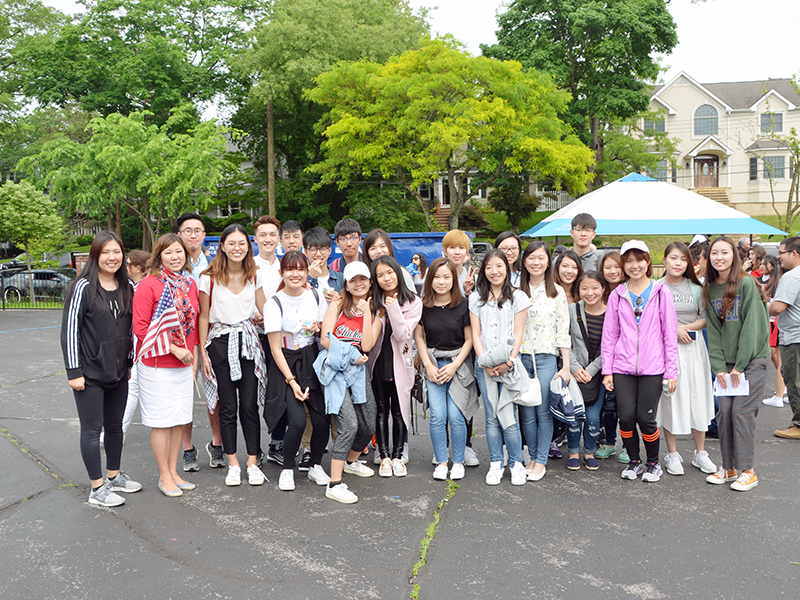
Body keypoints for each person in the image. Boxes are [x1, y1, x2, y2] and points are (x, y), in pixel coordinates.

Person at [61, 231, 141, 507]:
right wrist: (74, 371)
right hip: (89, 373)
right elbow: (69, 331)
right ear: (96, 255)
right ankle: (97, 488)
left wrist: (128, 363)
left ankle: (114, 476)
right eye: (106, 252)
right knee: (92, 430)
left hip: (118, 371)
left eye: (116, 252)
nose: (112, 257)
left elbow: (131, 330)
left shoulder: (127, 287)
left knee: (115, 427)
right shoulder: (82, 287)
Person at [602, 240, 678, 483]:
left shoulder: (660, 291)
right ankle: (634, 461)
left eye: (639, 260)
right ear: (624, 265)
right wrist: (607, 370)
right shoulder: (617, 294)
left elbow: (670, 334)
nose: (635, 266)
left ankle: (653, 463)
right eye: (629, 261)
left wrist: (671, 372)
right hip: (622, 367)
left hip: (653, 366)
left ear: (648, 262)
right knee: (625, 417)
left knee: (646, 418)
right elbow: (610, 335)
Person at [199, 224, 268, 487]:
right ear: (223, 246)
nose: (237, 248)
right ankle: (232, 463)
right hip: (219, 343)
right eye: (232, 243)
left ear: (248, 247)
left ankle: (252, 462)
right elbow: (204, 315)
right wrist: (203, 352)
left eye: (242, 243)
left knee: (249, 406)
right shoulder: (209, 277)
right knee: (227, 407)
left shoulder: (255, 275)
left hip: (248, 342)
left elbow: (264, 309)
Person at [133, 234, 199, 497]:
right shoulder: (149, 285)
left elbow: (191, 325)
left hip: (184, 364)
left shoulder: (189, 284)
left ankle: (173, 472)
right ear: (158, 255)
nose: (175, 257)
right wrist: (173, 348)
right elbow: (141, 328)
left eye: (179, 252)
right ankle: (164, 476)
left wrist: (191, 355)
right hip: (157, 363)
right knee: (162, 421)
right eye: (169, 252)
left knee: (178, 420)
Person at [704, 236, 769, 491]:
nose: (719, 257)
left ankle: (748, 471)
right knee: (725, 414)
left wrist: (739, 366)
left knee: (742, 413)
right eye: (714, 253)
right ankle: (729, 468)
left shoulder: (746, 284)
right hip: (727, 364)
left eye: (725, 252)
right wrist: (719, 367)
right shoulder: (710, 288)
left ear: (735, 256)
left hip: (751, 360)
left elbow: (752, 328)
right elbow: (715, 330)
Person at [261, 251, 330, 491]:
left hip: (311, 359)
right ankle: (288, 469)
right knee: (298, 421)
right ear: (282, 272)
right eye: (290, 269)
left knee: (321, 420)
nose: (296, 274)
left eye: (300, 269)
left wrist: (319, 327)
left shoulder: (316, 295)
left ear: (306, 271)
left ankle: (316, 465)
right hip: (286, 362)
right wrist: (291, 381)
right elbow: (274, 349)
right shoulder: (274, 303)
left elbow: (324, 329)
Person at [316, 261, 380, 503]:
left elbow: (367, 345)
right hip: (334, 371)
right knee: (349, 425)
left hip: (358, 373)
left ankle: (351, 462)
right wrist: (351, 355)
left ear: (370, 282)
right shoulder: (337, 305)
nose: (359, 284)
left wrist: (365, 314)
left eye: (363, 279)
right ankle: (334, 483)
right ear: (346, 284)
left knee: (368, 423)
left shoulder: (375, 310)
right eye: (353, 280)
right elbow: (325, 340)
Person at [469, 249, 531, 486]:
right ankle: (496, 462)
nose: (494, 272)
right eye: (489, 267)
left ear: (507, 267)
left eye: (499, 266)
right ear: (483, 271)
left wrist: (509, 362)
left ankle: (516, 463)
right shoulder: (476, 298)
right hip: (484, 365)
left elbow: (518, 333)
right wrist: (484, 363)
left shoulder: (519, 297)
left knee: (509, 415)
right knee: (492, 417)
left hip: (509, 365)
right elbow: (476, 333)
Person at [657, 242, 717, 477]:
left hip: (694, 349)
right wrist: (674, 330)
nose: (678, 263)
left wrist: (682, 328)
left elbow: (705, 319)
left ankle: (700, 452)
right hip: (666, 351)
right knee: (670, 398)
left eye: (683, 259)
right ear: (665, 260)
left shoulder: (696, 287)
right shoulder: (656, 288)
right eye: (673, 258)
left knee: (697, 397)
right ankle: (672, 453)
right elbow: (653, 322)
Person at [415, 258, 477, 481]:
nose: (441, 282)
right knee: (438, 416)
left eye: (446, 277)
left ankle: (458, 461)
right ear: (430, 279)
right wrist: (429, 365)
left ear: (454, 279)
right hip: (433, 364)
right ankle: (442, 461)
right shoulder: (422, 306)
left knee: (456, 415)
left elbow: (470, 339)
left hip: (458, 366)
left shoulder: (463, 305)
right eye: (437, 277)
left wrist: (455, 365)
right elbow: (419, 338)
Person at [518, 241, 570, 481]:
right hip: (520, 358)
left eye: (540, 258)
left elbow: (563, 331)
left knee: (543, 413)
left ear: (548, 261)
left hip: (547, 358)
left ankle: (541, 461)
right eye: (531, 258)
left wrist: (566, 366)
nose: (536, 262)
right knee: (526, 412)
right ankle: (531, 458)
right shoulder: (516, 291)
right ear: (524, 261)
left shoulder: (557, 292)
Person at [367, 255, 422, 477]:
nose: (386, 278)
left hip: (401, 364)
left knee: (399, 412)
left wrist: (393, 309)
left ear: (398, 274)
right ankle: (384, 457)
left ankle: (398, 457)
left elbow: (402, 334)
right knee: (381, 411)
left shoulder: (414, 302)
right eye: (380, 275)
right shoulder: (373, 302)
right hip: (379, 363)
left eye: (389, 273)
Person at [175, 212, 221, 472]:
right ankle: (187, 448)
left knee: (215, 394)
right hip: (180, 342)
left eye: (198, 231)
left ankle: (216, 444)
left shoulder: (214, 265)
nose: (193, 235)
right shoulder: (171, 266)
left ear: (204, 236)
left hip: (209, 338)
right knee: (184, 395)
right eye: (187, 230)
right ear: (179, 234)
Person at [441, 229, 478, 466]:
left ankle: (466, 446)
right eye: (452, 247)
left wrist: (468, 293)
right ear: (444, 250)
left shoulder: (473, 276)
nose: (457, 251)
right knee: (442, 401)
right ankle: (443, 446)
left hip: (467, 345)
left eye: (461, 248)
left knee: (466, 396)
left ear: (466, 253)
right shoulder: (436, 273)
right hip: (441, 346)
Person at [566, 271, 608, 471]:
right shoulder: (572, 310)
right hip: (573, 373)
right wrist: (575, 368)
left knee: (592, 417)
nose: (589, 293)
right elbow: (564, 342)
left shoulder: (611, 313)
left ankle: (589, 452)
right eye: (584, 288)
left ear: (603, 289)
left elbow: (610, 346)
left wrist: (591, 370)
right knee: (574, 416)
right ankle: (574, 452)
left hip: (597, 375)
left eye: (594, 288)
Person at [595, 251, 628, 463]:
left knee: (625, 406)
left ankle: (628, 445)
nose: (613, 271)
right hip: (602, 357)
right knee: (607, 405)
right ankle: (609, 442)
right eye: (608, 267)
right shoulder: (597, 291)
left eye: (617, 266)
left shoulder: (630, 292)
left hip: (626, 357)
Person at [770, 236, 800, 439]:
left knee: (794, 379)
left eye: (781, 252)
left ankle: (798, 424)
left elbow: (779, 306)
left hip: (794, 336)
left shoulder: (792, 277)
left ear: (794, 253)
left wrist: (763, 306)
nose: (778, 257)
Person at [117, 250, 150, 438]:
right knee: (133, 390)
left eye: (128, 263)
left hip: (140, 349)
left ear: (138, 268)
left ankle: (118, 431)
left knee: (133, 390)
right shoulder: (137, 287)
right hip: (139, 349)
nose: (126, 267)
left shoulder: (139, 290)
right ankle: (118, 431)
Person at [762, 255, 787, 407]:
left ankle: (779, 395)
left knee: (779, 359)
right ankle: (783, 390)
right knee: (777, 357)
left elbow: (775, 306)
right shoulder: (777, 279)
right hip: (775, 322)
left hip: (776, 322)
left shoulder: (783, 279)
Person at [304, 226, 343, 299]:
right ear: (305, 252)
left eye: (323, 249)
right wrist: (310, 278)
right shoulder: (300, 279)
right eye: (313, 249)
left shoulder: (341, 279)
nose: (318, 254)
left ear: (329, 251)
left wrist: (340, 300)